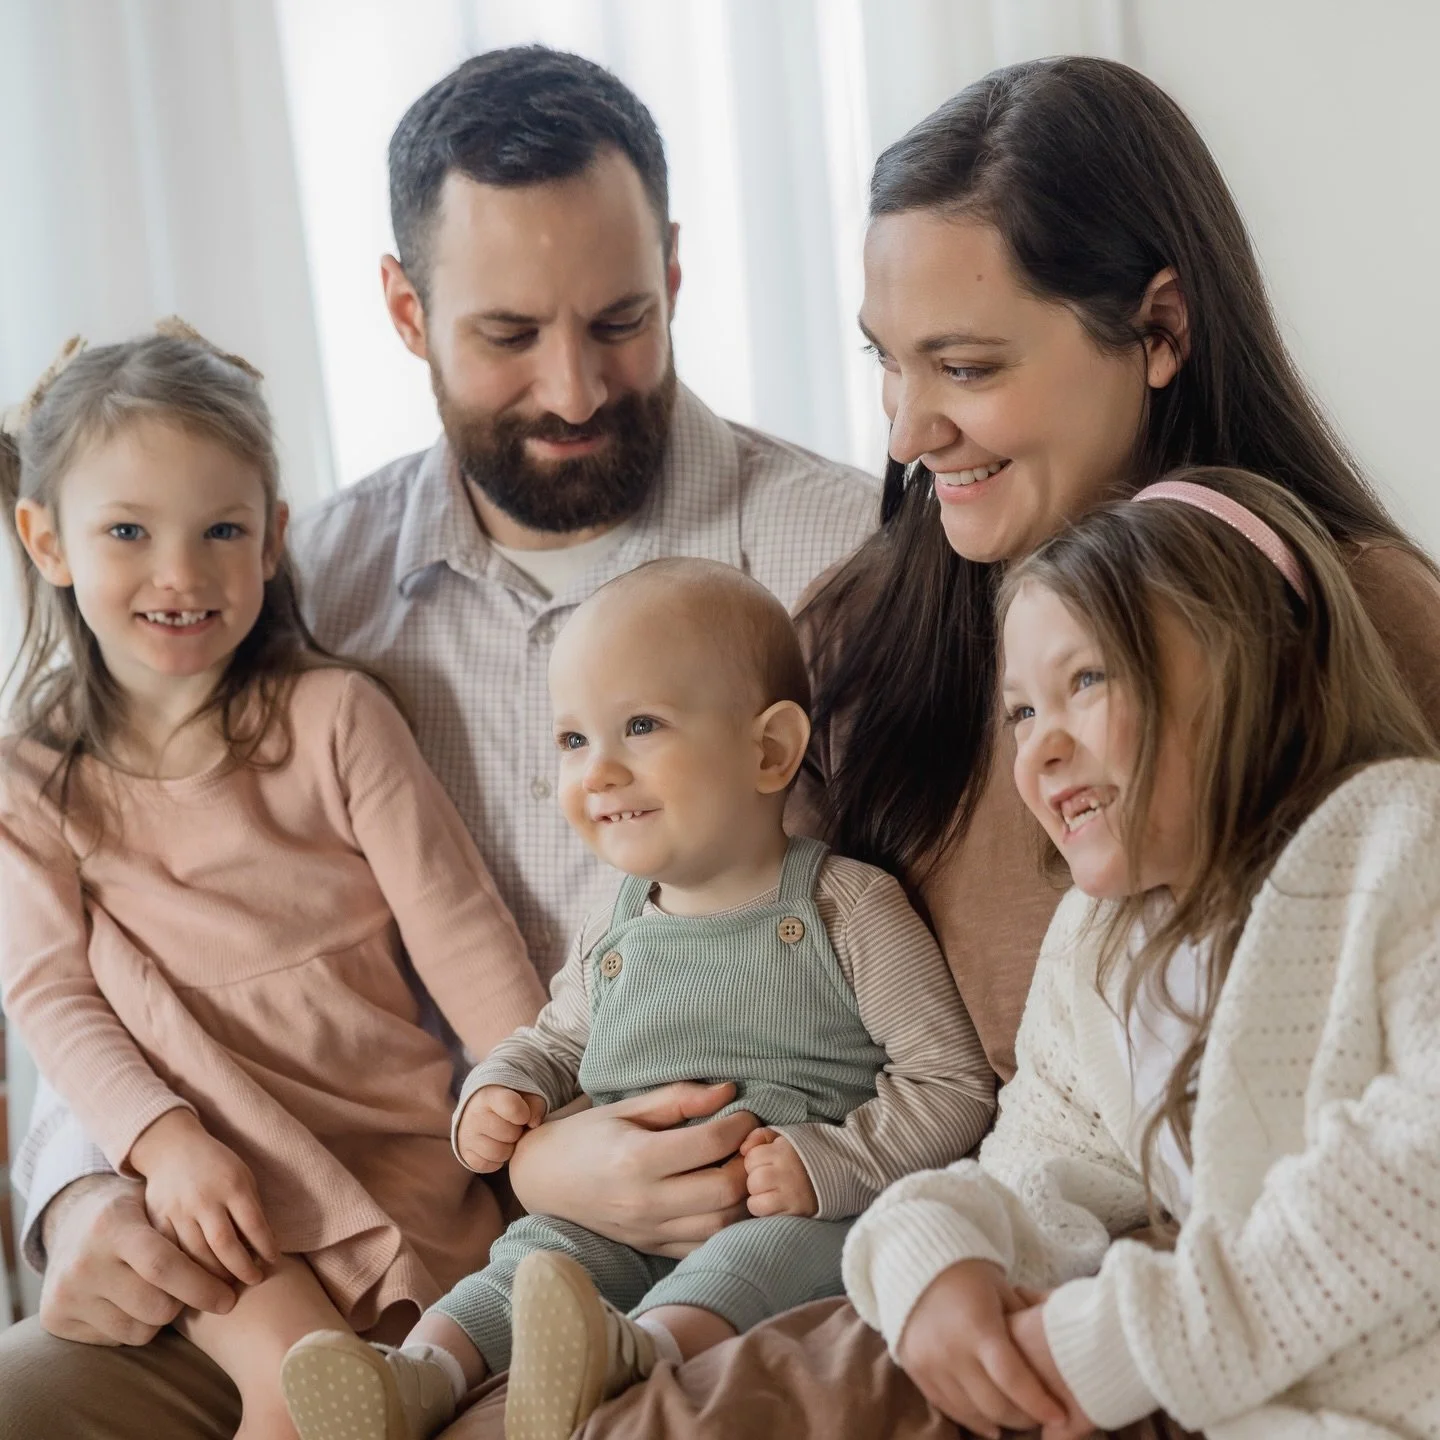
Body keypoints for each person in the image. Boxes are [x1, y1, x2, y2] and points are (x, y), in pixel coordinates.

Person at [548, 55, 1440, 1440]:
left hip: (1193, 1336)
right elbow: (716, 953)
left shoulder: (1358, 630)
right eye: (888, 364)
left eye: (963, 367)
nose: (905, 433)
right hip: (918, 1253)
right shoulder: (863, 630)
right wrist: (558, 1151)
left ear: (1157, 329)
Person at [0, 47, 877, 1440]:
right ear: (406, 310)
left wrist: (577, 1152)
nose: (578, 387)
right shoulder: (306, 586)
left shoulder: (837, 558)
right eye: (510, 334)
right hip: (292, 1223)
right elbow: (126, 927)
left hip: (676, 1226)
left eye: (622, 320)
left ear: (678, 271)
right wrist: (89, 1185)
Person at [277, 558, 994, 1440]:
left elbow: (953, 1085)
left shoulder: (846, 907)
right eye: (574, 741)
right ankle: (419, 1373)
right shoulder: (613, 924)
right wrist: (505, 1088)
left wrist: (825, 1163)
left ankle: (635, 1356)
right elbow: (560, 1035)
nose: (598, 772)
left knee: (752, 1260)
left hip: (788, 1208)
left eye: (641, 727)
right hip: (615, 1215)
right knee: (531, 1261)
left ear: (769, 750)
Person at [0, 326, 546, 1439]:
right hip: (218, 1193)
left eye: (221, 530)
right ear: (45, 541)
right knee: (297, 1406)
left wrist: (538, 1115)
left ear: (272, 540)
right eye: (127, 532)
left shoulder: (335, 719)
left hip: (394, 1166)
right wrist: (166, 1146)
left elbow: (462, 935)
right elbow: (50, 995)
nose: (181, 573)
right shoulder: (31, 782)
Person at [846, 467, 1440, 1438]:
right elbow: (1044, 1159)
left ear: (1255, 662)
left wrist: (1133, 1338)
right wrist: (935, 1251)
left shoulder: (1400, 835)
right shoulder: (1096, 947)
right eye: (1021, 712)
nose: (1036, 752)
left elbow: (1421, 1161)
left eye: (1085, 681)